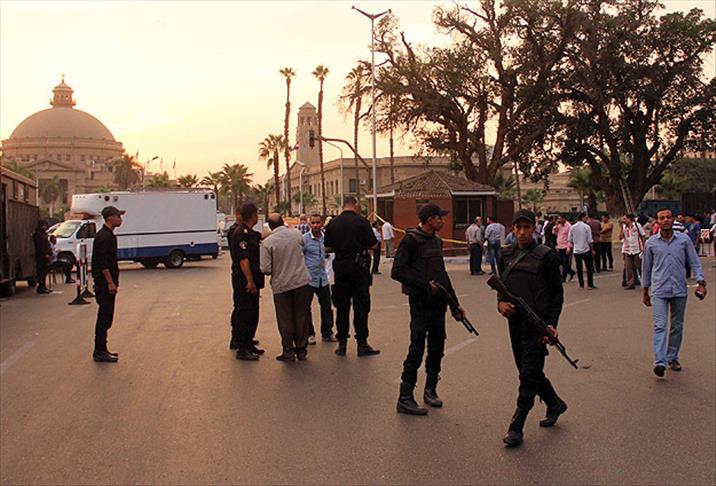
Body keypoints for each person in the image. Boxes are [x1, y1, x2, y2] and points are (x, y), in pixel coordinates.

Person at [496, 209, 566, 447]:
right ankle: (554, 403)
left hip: (538, 326)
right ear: (513, 229)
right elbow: (501, 287)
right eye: (519, 227)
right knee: (527, 371)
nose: (523, 232)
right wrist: (500, 304)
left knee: (528, 375)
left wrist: (551, 325)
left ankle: (517, 426)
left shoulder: (546, 255)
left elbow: (557, 294)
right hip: (515, 324)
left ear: (534, 228)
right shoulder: (506, 255)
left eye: (527, 227)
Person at [391, 203, 465, 416]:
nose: (443, 221)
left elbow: (442, 275)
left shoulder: (436, 241)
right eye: (440, 217)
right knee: (416, 348)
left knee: (436, 347)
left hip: (438, 304)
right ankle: (405, 397)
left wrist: (455, 305)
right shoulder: (410, 241)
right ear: (430, 219)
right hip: (420, 303)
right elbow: (397, 271)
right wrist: (425, 286)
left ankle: (430, 389)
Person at [642, 208, 707, 377]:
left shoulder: (684, 240)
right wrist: (645, 291)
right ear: (657, 222)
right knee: (660, 325)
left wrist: (701, 282)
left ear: (673, 220)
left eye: (668, 217)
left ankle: (672, 357)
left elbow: (694, 262)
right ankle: (660, 362)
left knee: (677, 326)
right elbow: (646, 268)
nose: (665, 220)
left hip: (679, 289)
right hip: (659, 290)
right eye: (662, 218)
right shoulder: (651, 243)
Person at [324, 196, 380, 357]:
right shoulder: (362, 222)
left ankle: (342, 344)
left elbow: (327, 247)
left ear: (343, 205)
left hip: (341, 269)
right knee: (361, 308)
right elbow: (373, 244)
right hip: (359, 269)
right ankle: (362, 343)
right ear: (355, 205)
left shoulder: (333, 223)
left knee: (342, 308)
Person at [261, 213, 312, 361]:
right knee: (301, 315)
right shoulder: (296, 234)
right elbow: (303, 247)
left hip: (281, 285)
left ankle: (288, 350)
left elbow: (265, 268)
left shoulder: (267, 243)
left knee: (285, 319)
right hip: (301, 281)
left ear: (270, 226)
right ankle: (301, 349)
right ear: (283, 222)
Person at [229, 203, 265, 360]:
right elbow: (243, 260)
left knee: (252, 312)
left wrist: (280, 231)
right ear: (253, 215)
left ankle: (249, 343)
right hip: (244, 281)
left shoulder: (249, 232)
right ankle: (242, 348)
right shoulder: (241, 233)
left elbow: (260, 236)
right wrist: (249, 281)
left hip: (253, 279)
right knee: (245, 312)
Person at [91, 206, 125, 363]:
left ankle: (103, 349)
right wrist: (110, 282)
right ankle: (99, 351)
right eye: (118, 216)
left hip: (107, 282)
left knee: (107, 316)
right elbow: (102, 262)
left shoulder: (109, 235)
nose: (120, 219)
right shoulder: (104, 237)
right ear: (110, 217)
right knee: (104, 317)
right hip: (104, 284)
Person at [303, 214, 337, 344]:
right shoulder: (304, 239)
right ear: (309, 224)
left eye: (318, 222)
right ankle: (309, 334)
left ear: (322, 223)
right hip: (309, 278)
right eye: (313, 223)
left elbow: (331, 249)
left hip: (323, 277)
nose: (315, 225)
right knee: (306, 308)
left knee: (326, 306)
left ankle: (327, 332)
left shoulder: (326, 238)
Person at [568, 213, 597, 289]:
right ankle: (590, 284)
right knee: (589, 267)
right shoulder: (587, 227)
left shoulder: (572, 227)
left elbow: (570, 239)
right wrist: (592, 250)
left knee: (579, 268)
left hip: (576, 250)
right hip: (585, 249)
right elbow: (590, 240)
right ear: (582, 218)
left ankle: (581, 284)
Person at [619, 214, 644, 289]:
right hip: (627, 249)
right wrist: (621, 228)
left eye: (625, 219)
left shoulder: (637, 225)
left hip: (637, 249)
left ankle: (644, 281)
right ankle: (630, 284)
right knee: (628, 268)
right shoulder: (624, 227)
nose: (623, 220)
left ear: (629, 219)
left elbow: (643, 236)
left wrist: (644, 246)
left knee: (639, 266)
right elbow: (620, 237)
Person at [32, 220, 53, 294]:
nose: (45, 227)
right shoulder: (38, 234)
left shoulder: (44, 234)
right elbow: (39, 246)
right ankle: (41, 287)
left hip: (46, 255)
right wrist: (45, 254)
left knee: (45, 272)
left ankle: (43, 286)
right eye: (44, 225)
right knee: (41, 272)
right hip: (41, 256)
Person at [553, 215, 575, 282]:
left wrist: (569, 247)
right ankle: (571, 272)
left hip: (566, 246)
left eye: (560, 219)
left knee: (565, 262)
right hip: (560, 246)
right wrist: (556, 225)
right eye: (558, 219)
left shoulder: (568, 226)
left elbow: (570, 237)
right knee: (560, 262)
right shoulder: (559, 225)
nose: (559, 220)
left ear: (564, 219)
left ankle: (563, 277)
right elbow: (554, 232)